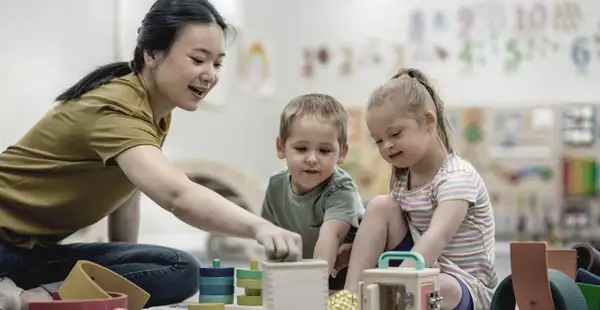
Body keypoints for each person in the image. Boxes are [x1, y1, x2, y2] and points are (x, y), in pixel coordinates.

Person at [0, 0, 302, 309]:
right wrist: (260, 227)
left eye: (217, 63)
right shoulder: (117, 107)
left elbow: (127, 188)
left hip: (29, 252)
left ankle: (27, 295)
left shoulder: (154, 111)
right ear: (152, 53)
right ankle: (34, 298)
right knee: (178, 268)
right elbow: (178, 196)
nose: (210, 74)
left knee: (177, 268)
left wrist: (123, 261)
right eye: (198, 59)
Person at [329, 68, 497, 310]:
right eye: (378, 141)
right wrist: (359, 251)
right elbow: (399, 229)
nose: (386, 146)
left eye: (395, 134)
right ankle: (352, 296)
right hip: (423, 268)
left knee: (432, 286)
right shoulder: (402, 178)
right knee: (380, 205)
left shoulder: (457, 177)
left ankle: (399, 291)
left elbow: (437, 236)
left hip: (466, 285)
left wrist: (401, 280)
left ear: (429, 121)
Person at [260, 94, 363, 290]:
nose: (312, 159)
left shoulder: (340, 188)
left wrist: (312, 287)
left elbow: (330, 237)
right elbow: (271, 236)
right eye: (301, 148)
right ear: (281, 147)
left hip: (342, 274)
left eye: (324, 151)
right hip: (302, 270)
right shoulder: (275, 185)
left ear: (342, 153)